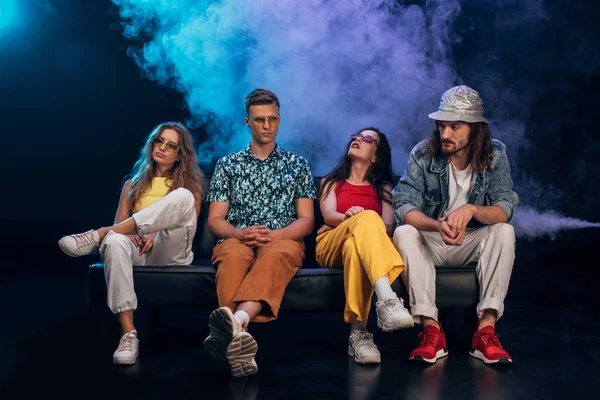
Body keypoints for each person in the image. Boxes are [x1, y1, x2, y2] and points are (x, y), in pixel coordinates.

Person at [58, 122, 205, 365]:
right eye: (159, 141)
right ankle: (128, 335)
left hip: (171, 248)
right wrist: (129, 234)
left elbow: (189, 224)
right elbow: (121, 225)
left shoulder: (190, 185)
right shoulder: (132, 184)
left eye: (171, 146)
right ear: (152, 143)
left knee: (183, 197)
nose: (162, 148)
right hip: (139, 251)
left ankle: (99, 235)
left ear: (180, 155)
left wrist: (154, 233)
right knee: (115, 241)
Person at [392, 85, 519, 365]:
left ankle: (485, 331)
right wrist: (437, 225)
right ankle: (431, 332)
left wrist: (472, 208)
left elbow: (504, 208)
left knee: (504, 231)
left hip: (471, 241)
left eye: (455, 126)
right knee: (403, 232)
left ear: (474, 128)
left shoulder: (495, 154)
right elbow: (403, 206)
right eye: (442, 126)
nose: (445, 134)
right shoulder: (423, 154)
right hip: (433, 240)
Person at [203, 88, 316, 377]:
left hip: (282, 240)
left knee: (277, 254)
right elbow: (215, 221)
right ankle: (238, 342)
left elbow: (306, 221)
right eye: (259, 120)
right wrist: (240, 233)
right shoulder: (227, 165)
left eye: (272, 119)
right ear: (247, 122)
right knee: (231, 256)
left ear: (279, 120)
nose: (266, 126)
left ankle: (236, 323)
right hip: (236, 238)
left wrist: (274, 235)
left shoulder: (297, 164)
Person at [315, 127, 413, 365]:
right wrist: (354, 218)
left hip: (355, 246)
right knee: (367, 219)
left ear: (375, 156)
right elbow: (329, 216)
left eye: (367, 139)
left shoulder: (385, 187)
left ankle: (359, 335)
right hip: (329, 244)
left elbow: (388, 225)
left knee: (353, 247)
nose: (358, 139)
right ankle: (387, 301)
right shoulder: (331, 182)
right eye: (356, 136)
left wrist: (359, 223)